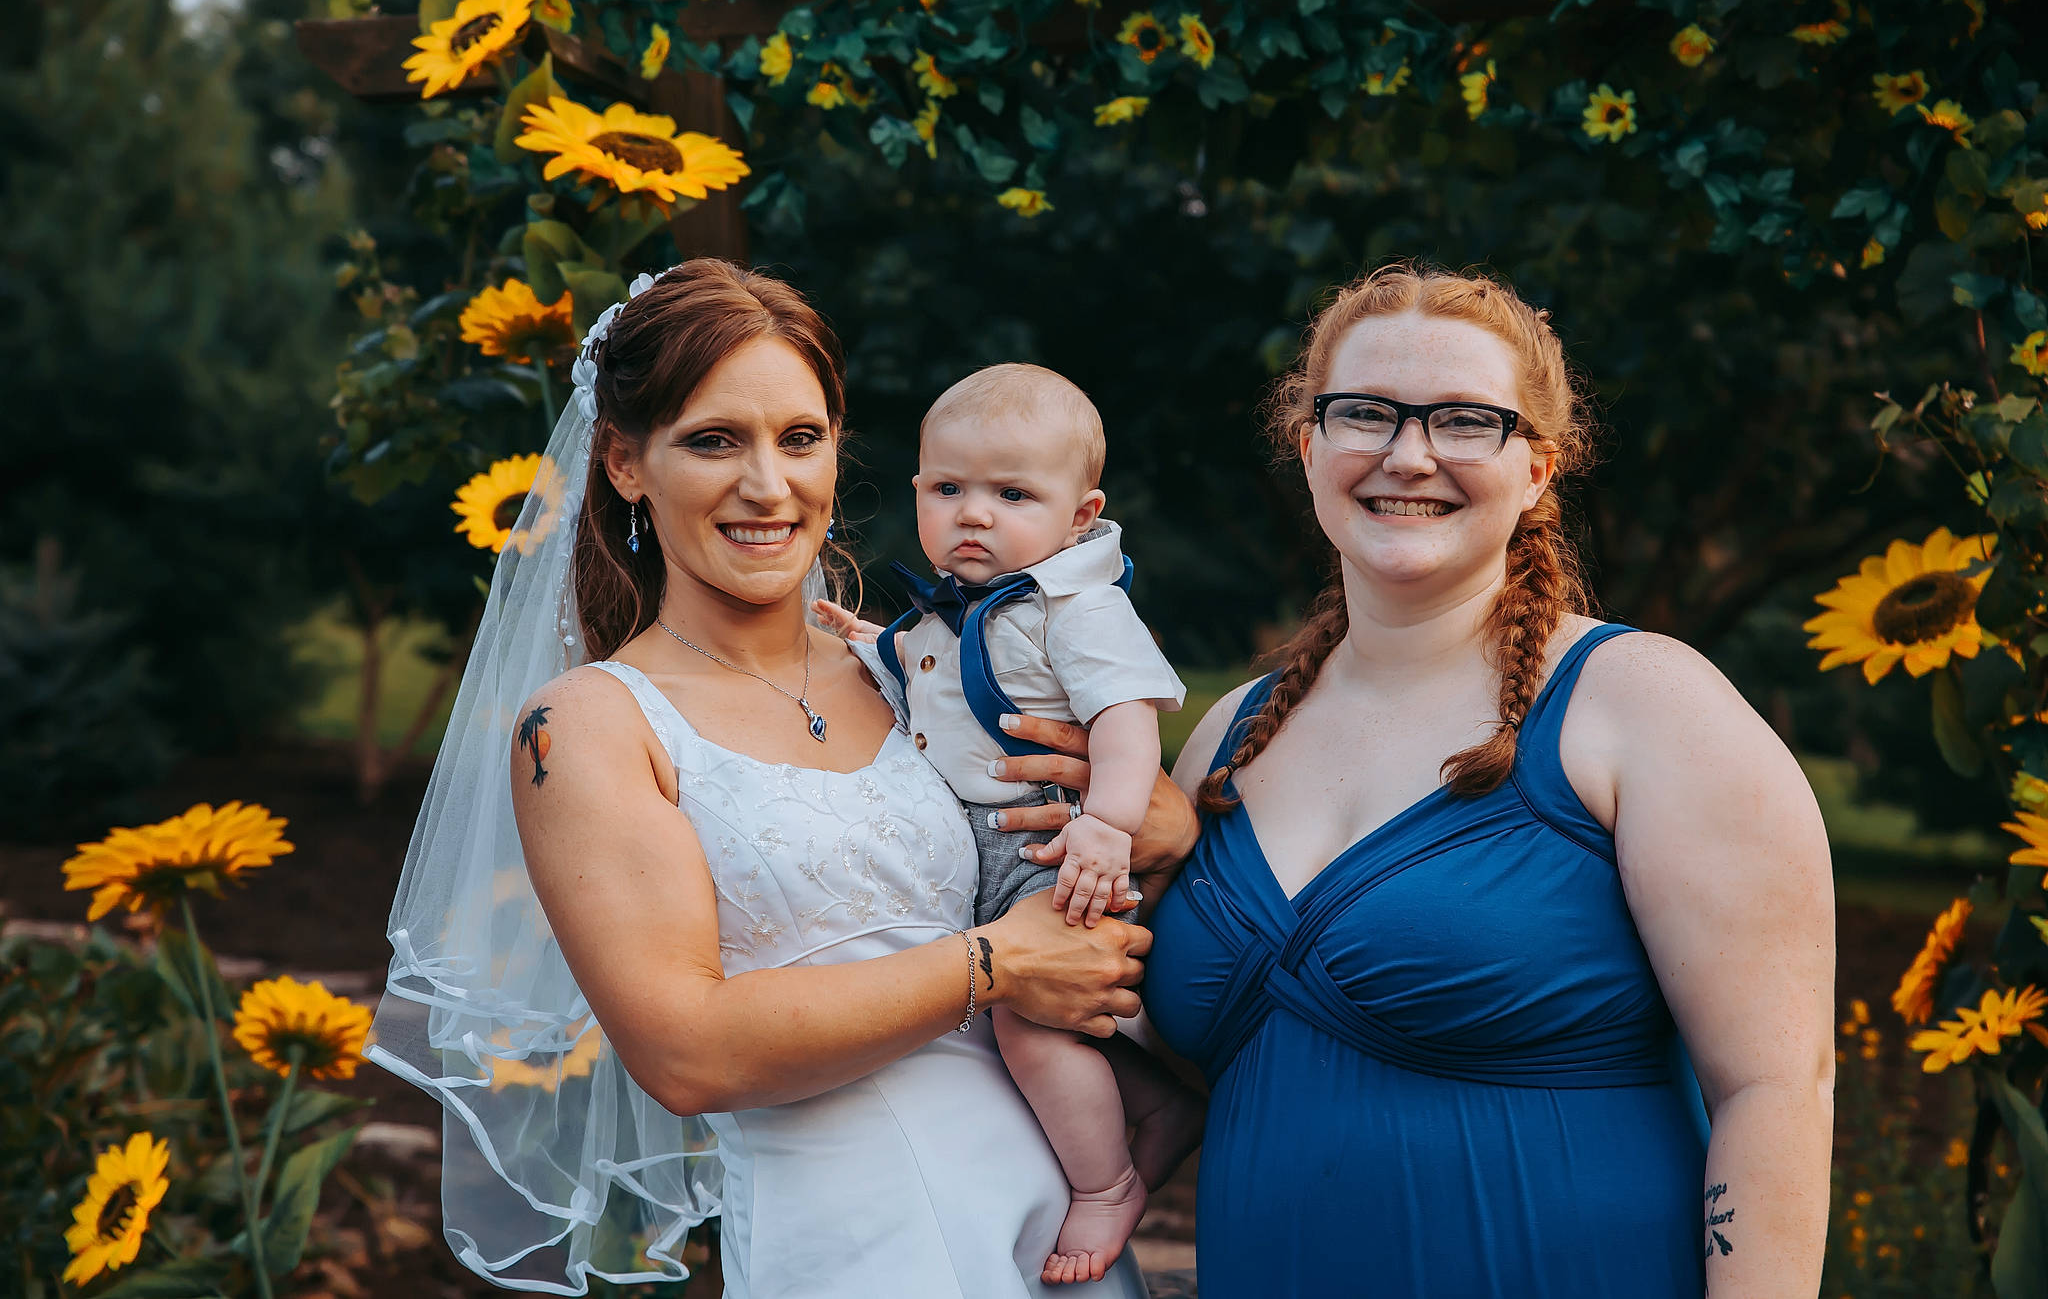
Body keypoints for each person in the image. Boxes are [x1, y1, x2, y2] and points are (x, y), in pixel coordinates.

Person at [366, 260, 1191, 1298]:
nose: (768, 485)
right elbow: (684, 1054)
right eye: (714, 440)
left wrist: (1148, 822)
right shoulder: (587, 724)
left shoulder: (905, 669)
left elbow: (1116, 814)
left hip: (1051, 1211)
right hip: (855, 1237)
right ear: (625, 462)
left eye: (800, 439)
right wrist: (1000, 963)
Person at [1141, 262, 1834, 1297]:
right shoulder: (1224, 744)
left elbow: (1774, 1090)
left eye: (1465, 420)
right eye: (1364, 413)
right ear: (1308, 445)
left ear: (1538, 470)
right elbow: (1158, 1077)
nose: (1406, 454)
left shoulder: (1643, 706)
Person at [856, 364, 1204, 1285]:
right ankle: (1157, 1103)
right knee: (1024, 1021)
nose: (974, 513)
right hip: (988, 846)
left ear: (1081, 515)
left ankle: (1107, 1182)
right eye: (948, 488)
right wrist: (864, 643)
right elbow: (927, 693)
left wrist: (1111, 824)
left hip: (1057, 846)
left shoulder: (1074, 607)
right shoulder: (950, 605)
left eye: (1012, 493)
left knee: (1024, 1023)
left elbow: (1127, 718)